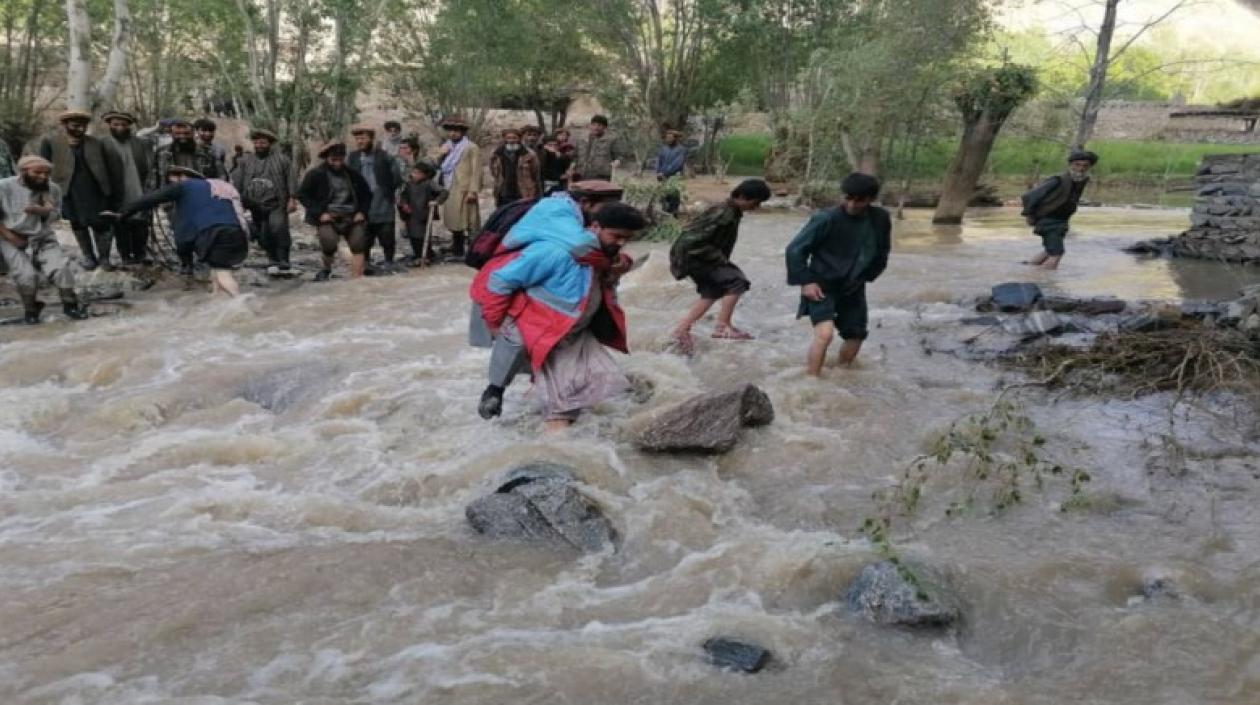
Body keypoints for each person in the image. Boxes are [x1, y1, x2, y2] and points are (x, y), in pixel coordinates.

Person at [471, 201, 645, 430]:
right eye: (616, 236)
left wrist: (620, 265)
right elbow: (499, 281)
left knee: (608, 383)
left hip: (576, 334)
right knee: (563, 408)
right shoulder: (554, 252)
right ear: (594, 227)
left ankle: (545, 420)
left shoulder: (603, 256)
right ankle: (554, 454)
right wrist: (494, 323)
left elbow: (608, 275)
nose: (621, 243)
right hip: (546, 333)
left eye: (627, 239)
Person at [785, 172, 891, 376]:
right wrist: (806, 282)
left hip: (854, 284)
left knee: (856, 335)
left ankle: (841, 375)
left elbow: (883, 249)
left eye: (859, 201)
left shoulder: (880, 218)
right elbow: (795, 250)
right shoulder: (825, 218)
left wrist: (869, 275)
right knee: (825, 335)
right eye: (848, 198)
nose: (852, 204)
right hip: (820, 284)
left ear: (871, 200)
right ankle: (812, 380)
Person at [107, 166, 249, 297]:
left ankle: (241, 303)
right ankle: (220, 303)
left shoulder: (183, 187)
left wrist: (124, 213)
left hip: (213, 233)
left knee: (223, 274)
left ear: (183, 177)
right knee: (217, 271)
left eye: (174, 178)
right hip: (236, 232)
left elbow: (150, 199)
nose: (171, 183)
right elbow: (247, 203)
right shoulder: (218, 187)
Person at [668, 178, 772, 353]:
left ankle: (681, 330)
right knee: (737, 281)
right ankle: (722, 326)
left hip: (696, 256)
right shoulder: (724, 213)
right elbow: (691, 240)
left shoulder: (730, 210)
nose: (756, 207)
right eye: (755, 202)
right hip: (695, 256)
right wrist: (720, 259)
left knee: (713, 290)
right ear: (742, 197)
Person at [0, 155, 91, 323]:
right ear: (23, 171)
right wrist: (11, 238)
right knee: (26, 276)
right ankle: (31, 310)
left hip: (42, 236)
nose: (43, 177)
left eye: (47, 173)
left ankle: (71, 305)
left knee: (60, 269)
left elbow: (56, 216)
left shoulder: (52, 189)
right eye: (38, 172)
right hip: (11, 236)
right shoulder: (3, 187)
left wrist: (42, 211)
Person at [34, 110, 125, 271]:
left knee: (101, 223)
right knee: (77, 223)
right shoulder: (50, 142)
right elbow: (43, 167)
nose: (81, 129)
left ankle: (104, 259)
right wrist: (44, 193)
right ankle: (88, 257)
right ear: (65, 125)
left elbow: (112, 169)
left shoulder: (97, 143)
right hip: (68, 191)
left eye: (83, 126)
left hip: (96, 190)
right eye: (76, 126)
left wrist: (113, 192)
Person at [297, 142, 373, 280]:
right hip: (328, 216)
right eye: (334, 159)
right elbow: (302, 195)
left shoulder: (353, 174)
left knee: (359, 244)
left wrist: (361, 212)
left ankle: (357, 280)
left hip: (352, 215)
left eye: (340, 159)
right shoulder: (315, 174)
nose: (337, 163)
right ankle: (326, 269)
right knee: (329, 243)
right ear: (327, 158)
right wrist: (320, 213)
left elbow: (367, 195)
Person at [231, 127, 298, 275]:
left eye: (263, 142)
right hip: (254, 204)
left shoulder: (282, 160)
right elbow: (238, 181)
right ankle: (272, 259)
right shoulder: (245, 161)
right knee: (263, 233)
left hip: (277, 203)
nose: (259, 145)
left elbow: (291, 179)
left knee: (278, 228)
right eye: (257, 142)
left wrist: (292, 199)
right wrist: (239, 201)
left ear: (270, 143)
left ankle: (284, 260)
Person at [1020, 150, 1098, 270]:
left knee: (1049, 251)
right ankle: (1043, 281)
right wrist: (1028, 215)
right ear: (1070, 164)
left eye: (1085, 166)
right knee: (1056, 254)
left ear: (1090, 167)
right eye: (1077, 164)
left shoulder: (1080, 181)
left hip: (1061, 221)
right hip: (1049, 220)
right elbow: (1029, 196)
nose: (1081, 168)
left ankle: (1028, 269)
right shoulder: (1057, 180)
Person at [101, 111, 154, 265]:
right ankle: (125, 255)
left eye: (124, 124)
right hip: (116, 191)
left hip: (138, 187)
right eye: (116, 124)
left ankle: (140, 253)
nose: (120, 127)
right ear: (109, 125)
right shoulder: (103, 144)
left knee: (141, 223)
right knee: (120, 223)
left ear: (129, 126)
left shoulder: (139, 142)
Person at [348, 124, 403, 268]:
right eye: (358, 138)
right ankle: (365, 263)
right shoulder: (352, 158)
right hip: (361, 203)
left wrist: (387, 191)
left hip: (382, 201)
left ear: (371, 139)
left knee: (386, 234)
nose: (360, 141)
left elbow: (396, 177)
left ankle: (389, 262)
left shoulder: (385, 157)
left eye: (364, 138)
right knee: (363, 235)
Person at [436, 115, 482, 258]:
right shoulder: (446, 146)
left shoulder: (471, 147)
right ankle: (457, 248)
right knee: (454, 219)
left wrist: (473, 191)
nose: (452, 134)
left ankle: (475, 251)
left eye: (456, 131)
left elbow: (476, 170)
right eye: (450, 131)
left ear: (462, 132)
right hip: (450, 186)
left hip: (465, 188)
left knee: (470, 220)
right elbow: (439, 166)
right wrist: (441, 155)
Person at [399, 161, 445, 265]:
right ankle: (418, 255)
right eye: (413, 172)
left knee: (422, 236)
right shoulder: (409, 184)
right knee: (412, 235)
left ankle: (426, 256)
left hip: (423, 213)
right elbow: (403, 196)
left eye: (417, 173)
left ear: (424, 174)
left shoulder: (429, 183)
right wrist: (404, 204)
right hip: (411, 213)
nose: (414, 175)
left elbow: (444, 192)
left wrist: (436, 201)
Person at [155, 119, 222, 188]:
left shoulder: (207, 152)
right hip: (170, 195)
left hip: (199, 194)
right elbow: (154, 180)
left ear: (193, 133)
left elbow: (220, 178)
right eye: (178, 133)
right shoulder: (161, 153)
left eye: (186, 133)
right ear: (171, 134)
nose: (182, 136)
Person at [489, 127, 540, 207]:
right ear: (504, 139)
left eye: (514, 138)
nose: (511, 141)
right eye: (508, 138)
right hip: (503, 192)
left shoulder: (529, 155)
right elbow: (494, 172)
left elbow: (535, 174)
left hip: (523, 192)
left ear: (519, 139)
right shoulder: (496, 154)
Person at [572, 115, 627, 182]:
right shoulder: (582, 139)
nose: (596, 127)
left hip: (601, 177)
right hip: (580, 175)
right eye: (594, 124)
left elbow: (619, 156)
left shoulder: (611, 140)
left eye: (599, 125)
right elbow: (574, 156)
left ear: (605, 127)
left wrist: (617, 161)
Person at [656, 129, 687, 215]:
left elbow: (677, 164)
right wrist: (658, 172)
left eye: (670, 138)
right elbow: (659, 161)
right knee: (664, 197)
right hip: (662, 177)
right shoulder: (663, 149)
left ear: (675, 139)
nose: (668, 139)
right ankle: (664, 214)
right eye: (667, 138)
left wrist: (665, 173)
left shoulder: (681, 150)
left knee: (674, 197)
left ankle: (673, 216)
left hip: (674, 177)